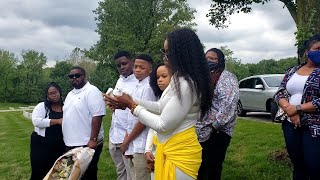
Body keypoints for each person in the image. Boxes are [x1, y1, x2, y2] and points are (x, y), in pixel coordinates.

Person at [106, 28, 213, 180]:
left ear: (182, 53)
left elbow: (163, 124)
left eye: (168, 52)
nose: (164, 57)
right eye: (163, 51)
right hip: (168, 147)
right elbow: (161, 107)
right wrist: (129, 100)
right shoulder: (178, 78)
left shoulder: (186, 84)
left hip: (180, 153)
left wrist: (132, 106)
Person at [274, 34, 320, 180]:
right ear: (307, 51)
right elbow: (280, 92)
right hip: (290, 125)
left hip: (314, 127)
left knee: (314, 166)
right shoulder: (293, 71)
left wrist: (298, 108)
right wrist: (289, 109)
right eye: (317, 48)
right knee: (298, 166)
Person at [196, 48, 239, 180]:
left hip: (217, 131)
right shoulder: (203, 76)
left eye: (212, 58)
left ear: (220, 61)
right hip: (200, 130)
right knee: (200, 167)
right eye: (206, 57)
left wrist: (215, 126)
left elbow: (229, 104)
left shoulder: (227, 78)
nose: (208, 60)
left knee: (212, 168)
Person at [62, 66, 106, 180]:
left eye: (77, 75)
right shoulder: (70, 94)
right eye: (71, 76)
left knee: (88, 175)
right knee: (74, 175)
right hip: (71, 144)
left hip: (87, 143)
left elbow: (98, 115)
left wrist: (93, 139)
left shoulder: (92, 91)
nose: (74, 78)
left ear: (84, 76)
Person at [120, 54, 156, 180]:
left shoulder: (148, 88)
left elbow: (144, 119)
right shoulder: (137, 85)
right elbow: (131, 117)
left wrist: (127, 141)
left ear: (150, 70)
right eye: (135, 66)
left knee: (141, 176)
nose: (137, 70)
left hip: (141, 144)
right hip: (132, 142)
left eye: (142, 67)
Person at [109, 50, 137, 180]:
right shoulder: (120, 80)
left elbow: (137, 113)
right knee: (121, 173)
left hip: (128, 137)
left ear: (132, 61)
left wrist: (127, 140)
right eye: (118, 66)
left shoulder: (139, 82)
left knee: (132, 174)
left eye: (124, 63)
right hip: (115, 135)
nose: (122, 67)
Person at [30, 82, 65, 180]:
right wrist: (57, 121)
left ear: (60, 92)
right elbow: (36, 121)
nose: (53, 95)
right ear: (47, 96)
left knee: (58, 171)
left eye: (55, 92)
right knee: (40, 171)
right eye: (50, 93)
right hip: (41, 144)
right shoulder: (42, 106)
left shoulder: (66, 106)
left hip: (60, 144)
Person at [145, 63, 172, 179]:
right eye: (157, 77)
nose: (160, 80)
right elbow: (153, 127)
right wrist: (148, 149)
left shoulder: (178, 101)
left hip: (172, 151)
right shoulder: (159, 100)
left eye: (164, 76)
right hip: (157, 150)